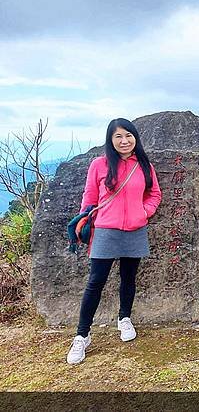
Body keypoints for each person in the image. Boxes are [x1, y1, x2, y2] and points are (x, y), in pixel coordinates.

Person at [67, 118, 162, 364]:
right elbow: (89, 197)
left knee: (129, 278)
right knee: (95, 282)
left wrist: (144, 212)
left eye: (128, 135)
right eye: (118, 136)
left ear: (135, 138)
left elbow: (154, 194)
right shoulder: (99, 164)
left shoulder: (143, 165)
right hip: (105, 229)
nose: (124, 141)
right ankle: (82, 335)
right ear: (110, 139)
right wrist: (86, 222)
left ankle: (124, 318)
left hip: (135, 229)